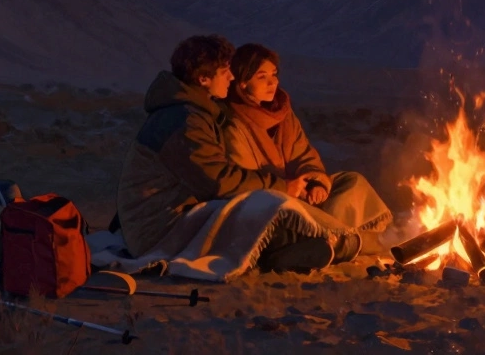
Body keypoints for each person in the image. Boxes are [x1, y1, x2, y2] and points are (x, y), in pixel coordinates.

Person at [114, 35, 366, 272]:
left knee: (341, 186)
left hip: (182, 213)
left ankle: (303, 245)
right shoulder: (183, 120)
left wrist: (313, 179)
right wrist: (282, 187)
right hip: (160, 228)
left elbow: (300, 155)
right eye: (225, 73)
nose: (231, 79)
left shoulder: (197, 114)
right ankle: (292, 250)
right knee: (260, 208)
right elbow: (220, 181)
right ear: (204, 79)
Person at [222, 43, 393, 260]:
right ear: (243, 82)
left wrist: (315, 182)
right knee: (286, 213)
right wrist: (289, 188)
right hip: (272, 200)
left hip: (298, 191)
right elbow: (246, 179)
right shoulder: (233, 123)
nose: (272, 82)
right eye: (262, 77)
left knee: (350, 182)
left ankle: (330, 238)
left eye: (274, 74)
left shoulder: (282, 113)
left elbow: (302, 153)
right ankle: (346, 241)